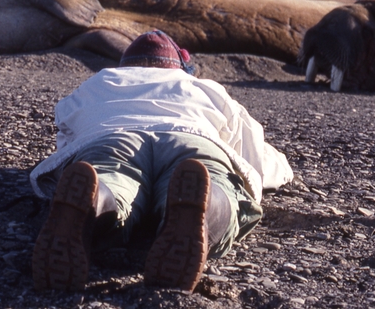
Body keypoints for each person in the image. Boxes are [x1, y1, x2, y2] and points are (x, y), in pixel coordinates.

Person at [30, 30, 292, 292]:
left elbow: (67, 136)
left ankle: (96, 203)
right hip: (192, 138)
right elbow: (251, 145)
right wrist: (280, 171)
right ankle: (210, 205)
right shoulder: (205, 87)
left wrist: (73, 167)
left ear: (126, 64)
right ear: (180, 67)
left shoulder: (99, 81)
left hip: (111, 136)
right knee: (213, 178)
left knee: (108, 177)